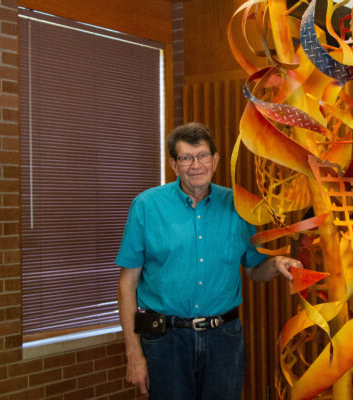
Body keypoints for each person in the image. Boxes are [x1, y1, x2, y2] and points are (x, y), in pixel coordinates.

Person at [116, 122, 302, 400]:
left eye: (202, 155)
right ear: (173, 164)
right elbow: (126, 284)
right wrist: (134, 354)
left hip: (223, 340)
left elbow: (252, 269)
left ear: (215, 159)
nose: (196, 165)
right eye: (186, 158)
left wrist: (276, 265)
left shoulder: (237, 206)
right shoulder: (146, 206)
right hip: (166, 342)